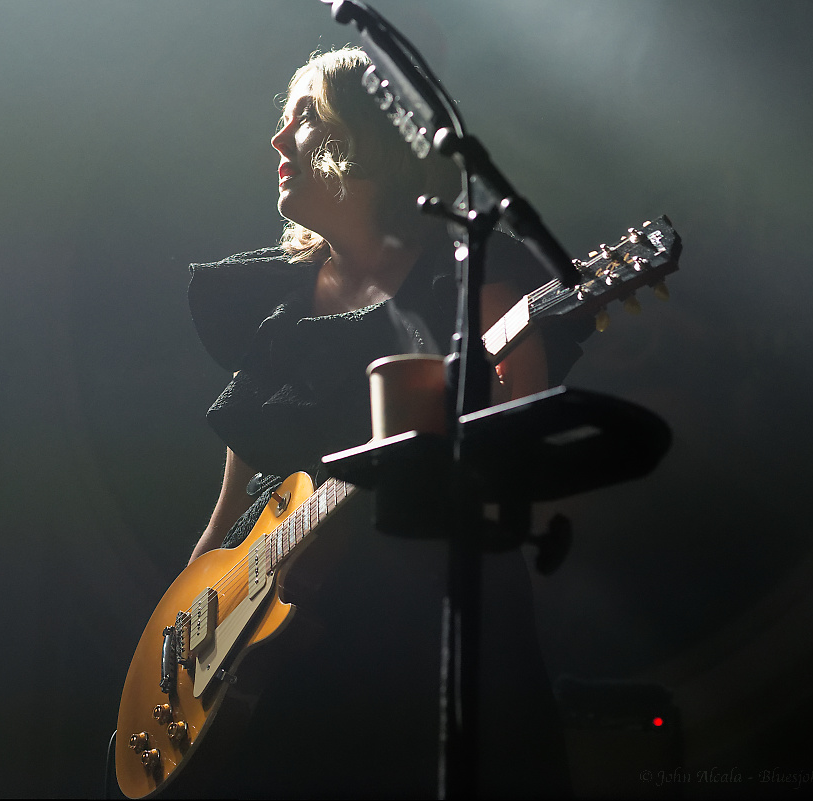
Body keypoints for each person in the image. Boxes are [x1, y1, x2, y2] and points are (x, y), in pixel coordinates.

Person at [183, 47, 570, 798]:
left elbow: (526, 472)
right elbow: (227, 520)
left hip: (430, 637)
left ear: (361, 136)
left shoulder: (469, 286)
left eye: (302, 117)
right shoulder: (281, 311)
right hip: (290, 663)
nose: (277, 140)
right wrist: (185, 630)